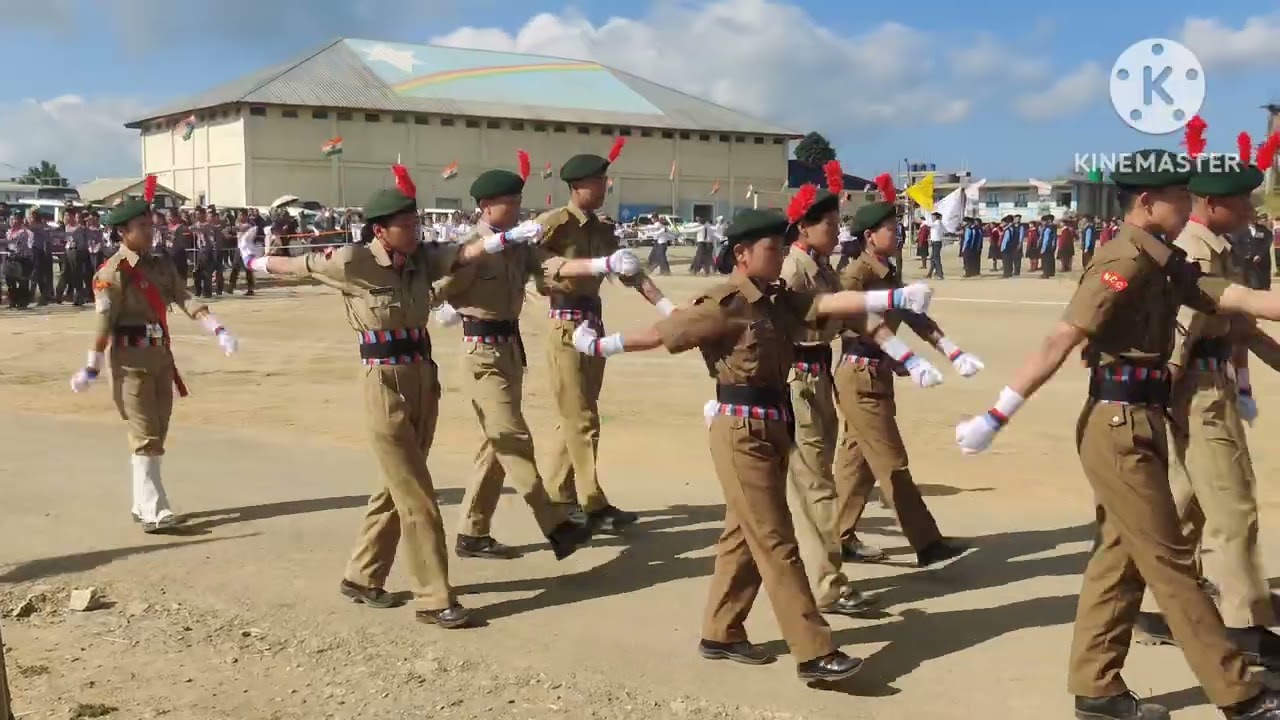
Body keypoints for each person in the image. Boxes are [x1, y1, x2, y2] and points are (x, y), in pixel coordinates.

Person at [955, 146, 1280, 720]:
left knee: (1120, 558)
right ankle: (1240, 695)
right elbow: (1062, 339)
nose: (1188, 206)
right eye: (1178, 197)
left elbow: (1236, 299)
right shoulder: (1123, 262)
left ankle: (1097, 688)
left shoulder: (1163, 259)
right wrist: (996, 415)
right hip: (1118, 424)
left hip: (1142, 417)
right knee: (1171, 563)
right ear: (1147, 202)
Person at [566, 204, 935, 682]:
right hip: (742, 431)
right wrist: (598, 345)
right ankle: (814, 651)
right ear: (742, 253)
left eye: (781, 246)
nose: (780, 254)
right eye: (771, 248)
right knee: (777, 541)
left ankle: (720, 632)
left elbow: (825, 305)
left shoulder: (777, 299)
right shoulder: (726, 303)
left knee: (743, 534)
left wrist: (893, 296)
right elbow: (663, 333)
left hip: (775, 424)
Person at [240, 164, 562, 629]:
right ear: (380, 230)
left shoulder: (421, 259)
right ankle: (434, 597)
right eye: (407, 225)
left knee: (396, 486)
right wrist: (253, 260)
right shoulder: (352, 261)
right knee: (418, 496)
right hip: (383, 384)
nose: (416, 231)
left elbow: (464, 253)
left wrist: (504, 239)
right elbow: (298, 267)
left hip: (422, 380)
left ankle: (362, 574)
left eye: (417, 223)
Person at [1133, 133, 1280, 670]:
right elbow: (1182, 331)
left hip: (1204, 383)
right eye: (1242, 201)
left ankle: (1157, 608)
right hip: (1196, 389)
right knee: (1232, 504)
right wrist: (1165, 394)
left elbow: (1241, 326)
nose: (1251, 210)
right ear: (1213, 205)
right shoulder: (1198, 252)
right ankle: (1243, 622)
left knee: (1187, 502)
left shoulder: (1217, 247)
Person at [430, 154, 611, 560]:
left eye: (517, 201)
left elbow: (551, 266)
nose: (515, 208)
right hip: (481, 354)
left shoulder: (518, 245)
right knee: (513, 438)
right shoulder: (472, 248)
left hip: (510, 350)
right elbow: (436, 286)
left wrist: (601, 263)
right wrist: (447, 306)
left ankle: (473, 532)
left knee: (495, 444)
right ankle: (556, 525)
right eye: (507, 203)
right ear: (485, 207)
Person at [69, 177, 240, 533]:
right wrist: (91, 367)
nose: (150, 232)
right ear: (123, 232)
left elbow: (184, 297)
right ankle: (155, 509)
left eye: (151, 225)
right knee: (145, 433)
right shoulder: (112, 273)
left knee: (157, 433)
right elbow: (104, 322)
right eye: (142, 227)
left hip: (161, 357)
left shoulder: (161, 265)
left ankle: (140, 502)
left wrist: (217, 328)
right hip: (130, 363)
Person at [536, 138, 678, 530]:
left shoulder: (603, 228)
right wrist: (599, 264)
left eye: (605, 181)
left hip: (591, 322)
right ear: (577, 186)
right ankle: (592, 503)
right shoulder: (554, 224)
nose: (604, 188)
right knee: (581, 418)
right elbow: (543, 268)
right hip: (565, 324)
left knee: (579, 414)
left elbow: (630, 271)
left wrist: (667, 307)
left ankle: (558, 497)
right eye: (598, 182)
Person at [834, 190, 979, 567]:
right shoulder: (856, 274)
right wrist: (906, 357)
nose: (897, 232)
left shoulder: (887, 270)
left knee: (857, 465)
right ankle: (927, 543)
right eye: (890, 228)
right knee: (891, 462)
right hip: (861, 373)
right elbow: (853, 318)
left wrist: (951, 350)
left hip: (875, 374)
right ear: (869, 237)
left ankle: (836, 537)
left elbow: (915, 317)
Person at [777, 172, 874, 616]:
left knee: (813, 484)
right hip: (798, 379)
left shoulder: (822, 266)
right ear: (804, 227)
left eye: (838, 224)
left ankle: (812, 576)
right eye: (830, 225)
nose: (837, 232)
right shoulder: (794, 269)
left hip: (819, 375)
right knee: (815, 487)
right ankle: (828, 586)